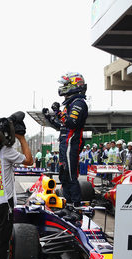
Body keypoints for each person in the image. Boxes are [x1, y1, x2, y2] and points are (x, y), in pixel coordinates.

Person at [42, 72, 88, 208]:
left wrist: (58, 112)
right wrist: (50, 118)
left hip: (71, 145)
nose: (63, 87)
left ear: (74, 85)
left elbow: (72, 123)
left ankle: (76, 205)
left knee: (70, 175)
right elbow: (62, 126)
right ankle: (68, 203)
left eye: (65, 85)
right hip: (64, 144)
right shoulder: (70, 104)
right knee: (63, 176)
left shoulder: (79, 103)